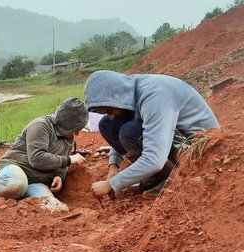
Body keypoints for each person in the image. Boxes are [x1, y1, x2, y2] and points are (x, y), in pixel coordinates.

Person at [83, 70, 220, 198]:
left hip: (200, 148)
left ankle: (175, 178)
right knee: (107, 124)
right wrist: (113, 166)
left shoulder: (154, 96)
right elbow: (114, 123)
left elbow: (154, 159)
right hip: (177, 137)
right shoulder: (129, 90)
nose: (111, 115)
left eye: (109, 110)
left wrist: (111, 184)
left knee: (130, 132)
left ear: (117, 97)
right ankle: (157, 175)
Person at [0, 98, 89, 204]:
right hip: (17, 168)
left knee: (54, 208)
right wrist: (68, 160)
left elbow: (62, 163)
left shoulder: (68, 137)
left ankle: (18, 201)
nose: (77, 134)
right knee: (14, 185)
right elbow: (37, 158)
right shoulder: (41, 126)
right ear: (66, 125)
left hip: (37, 181)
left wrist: (59, 176)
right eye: (75, 129)